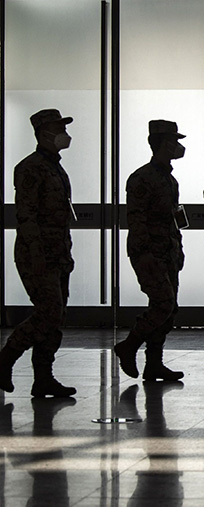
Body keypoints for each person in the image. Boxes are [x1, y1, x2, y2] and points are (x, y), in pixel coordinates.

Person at [0, 108, 77, 397]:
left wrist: (65, 252)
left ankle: (43, 377)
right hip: (39, 254)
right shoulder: (30, 168)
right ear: (44, 132)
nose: (64, 134)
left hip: (58, 253)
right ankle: (6, 358)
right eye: (59, 128)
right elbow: (27, 216)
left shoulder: (55, 167)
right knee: (47, 313)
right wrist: (36, 255)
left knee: (55, 317)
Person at [114, 119, 187, 382]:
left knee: (169, 308)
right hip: (149, 253)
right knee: (162, 304)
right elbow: (136, 220)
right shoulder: (141, 178)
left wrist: (178, 248)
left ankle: (154, 363)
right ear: (162, 144)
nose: (179, 146)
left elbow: (173, 218)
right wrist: (144, 254)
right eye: (175, 141)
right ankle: (129, 345)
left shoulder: (170, 180)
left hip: (168, 251)